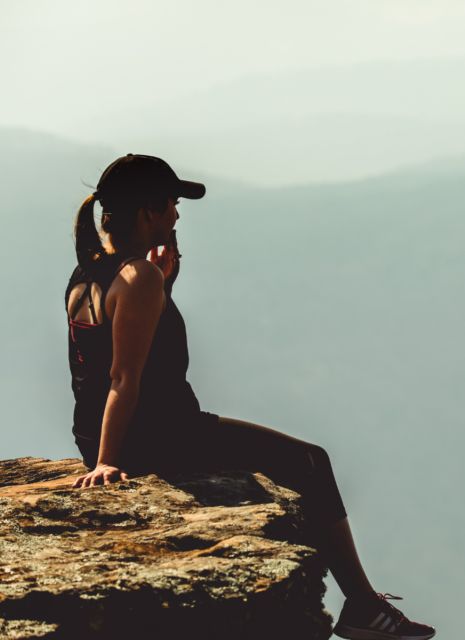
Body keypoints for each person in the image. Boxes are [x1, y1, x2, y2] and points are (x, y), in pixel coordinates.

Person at [65, 154, 435, 640]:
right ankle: (363, 607)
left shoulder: (88, 274)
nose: (177, 214)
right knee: (311, 462)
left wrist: (165, 290)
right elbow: (122, 377)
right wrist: (108, 461)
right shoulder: (139, 278)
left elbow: (100, 367)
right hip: (162, 436)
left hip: (105, 433)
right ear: (148, 212)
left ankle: (363, 606)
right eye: (172, 204)